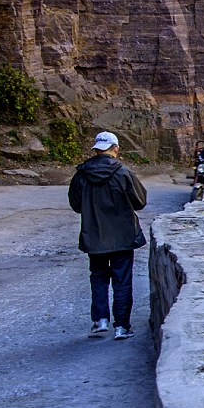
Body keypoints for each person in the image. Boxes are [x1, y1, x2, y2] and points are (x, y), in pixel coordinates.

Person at [68, 131, 148, 341]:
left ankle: (100, 320)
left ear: (96, 150)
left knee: (99, 277)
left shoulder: (81, 175)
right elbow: (139, 201)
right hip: (122, 235)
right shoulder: (123, 173)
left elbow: (76, 205)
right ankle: (121, 326)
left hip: (95, 235)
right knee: (122, 280)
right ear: (116, 149)